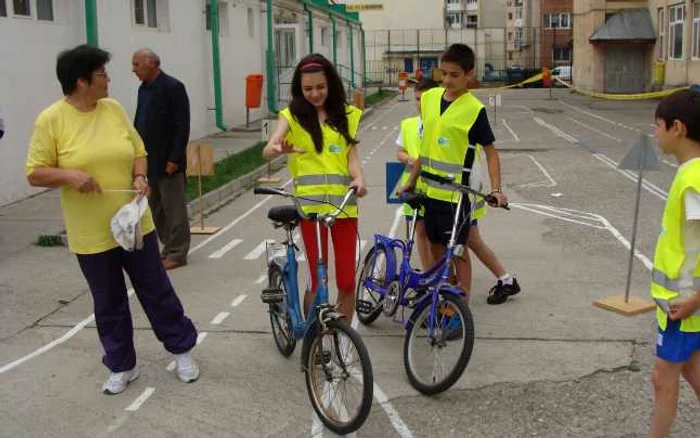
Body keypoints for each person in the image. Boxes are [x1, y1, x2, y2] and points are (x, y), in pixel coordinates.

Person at [25, 45, 199, 395]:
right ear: (81, 81)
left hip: (133, 224)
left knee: (156, 290)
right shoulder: (51, 120)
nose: (109, 79)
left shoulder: (114, 109)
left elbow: (138, 150)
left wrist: (140, 177)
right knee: (108, 301)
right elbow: (35, 173)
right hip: (91, 232)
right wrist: (70, 175)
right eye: (102, 74)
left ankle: (181, 351)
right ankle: (122, 365)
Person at [400, 44, 512, 304]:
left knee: (459, 252)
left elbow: (491, 153)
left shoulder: (474, 110)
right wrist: (410, 182)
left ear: (469, 75)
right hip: (430, 191)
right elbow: (425, 148)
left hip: (457, 197)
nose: (448, 80)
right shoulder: (429, 99)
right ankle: (444, 299)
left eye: (455, 75)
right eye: (444, 73)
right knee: (437, 248)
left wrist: (496, 189)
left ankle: (460, 307)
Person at [262, 54, 366, 320]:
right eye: (308, 89)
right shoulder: (292, 117)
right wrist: (278, 148)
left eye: (320, 87)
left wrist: (359, 179)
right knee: (318, 283)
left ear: (330, 84)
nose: (315, 93)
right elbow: (267, 149)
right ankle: (314, 343)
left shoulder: (348, 115)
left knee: (346, 282)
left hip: (344, 208)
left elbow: (351, 157)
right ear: (300, 89)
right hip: (310, 211)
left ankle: (341, 340)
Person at [648, 89, 700, 438]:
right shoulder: (689, 173)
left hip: (684, 304)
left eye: (658, 126)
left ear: (677, 128)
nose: (655, 133)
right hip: (685, 302)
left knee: (662, 378)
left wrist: (696, 299)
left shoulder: (692, 179)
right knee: (692, 370)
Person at [132, 48, 191, 271]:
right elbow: (140, 122)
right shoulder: (144, 89)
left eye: (136, 65)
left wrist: (175, 157)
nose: (133, 70)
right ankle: (168, 247)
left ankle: (178, 252)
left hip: (169, 161)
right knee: (156, 209)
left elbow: (181, 125)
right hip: (150, 160)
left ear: (151, 63)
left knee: (173, 208)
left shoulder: (173, 88)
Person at [396, 78, 437, 270]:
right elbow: (400, 151)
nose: (419, 104)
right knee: (420, 232)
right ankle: (427, 274)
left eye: (424, 99)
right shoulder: (408, 124)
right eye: (417, 99)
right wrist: (408, 159)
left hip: (437, 190)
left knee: (437, 237)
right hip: (414, 187)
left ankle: (444, 275)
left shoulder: (440, 123)